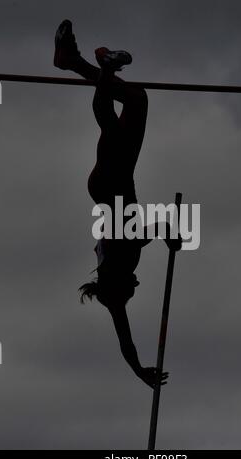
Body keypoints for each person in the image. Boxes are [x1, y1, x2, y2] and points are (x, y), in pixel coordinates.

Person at [54, 20, 181, 388]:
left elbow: (143, 232)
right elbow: (124, 340)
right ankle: (72, 62)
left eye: (133, 288)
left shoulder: (119, 267)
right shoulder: (115, 279)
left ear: (121, 287)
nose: (138, 285)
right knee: (137, 100)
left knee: (110, 122)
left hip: (112, 183)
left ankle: (105, 66)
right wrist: (136, 368)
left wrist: (169, 233)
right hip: (114, 181)